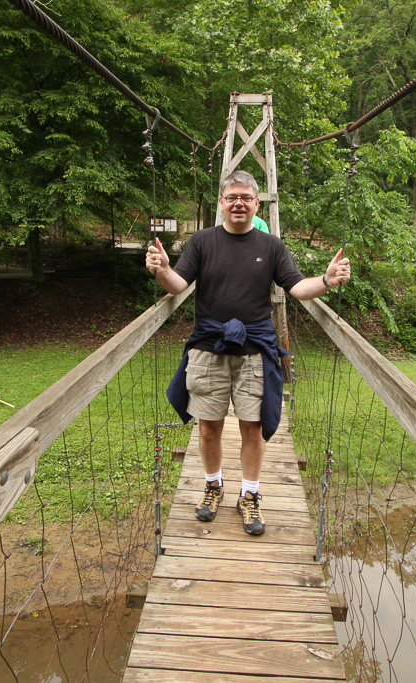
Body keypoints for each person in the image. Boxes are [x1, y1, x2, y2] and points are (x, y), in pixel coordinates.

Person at [145, 170, 350, 535]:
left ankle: (250, 494)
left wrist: (325, 280)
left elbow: (297, 287)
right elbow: (178, 284)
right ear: (222, 203)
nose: (238, 202)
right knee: (208, 428)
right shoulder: (202, 242)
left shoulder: (271, 246)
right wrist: (162, 271)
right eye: (231, 197)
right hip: (209, 349)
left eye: (246, 197)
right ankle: (212, 487)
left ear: (257, 204)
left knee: (252, 429)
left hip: (254, 351)